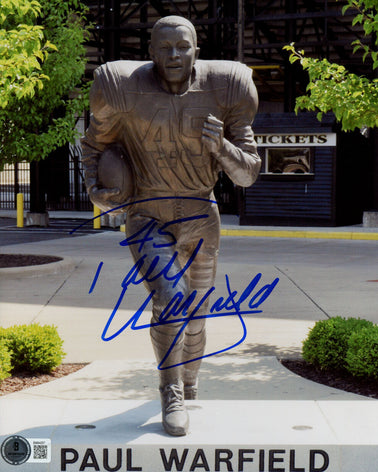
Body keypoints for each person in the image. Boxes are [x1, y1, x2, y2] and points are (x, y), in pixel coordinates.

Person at [81, 15, 261, 436]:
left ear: (196, 48)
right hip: (147, 214)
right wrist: (95, 189)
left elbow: (249, 173)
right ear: (151, 53)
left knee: (196, 315)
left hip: (201, 216)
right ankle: (170, 390)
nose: (174, 55)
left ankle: (190, 377)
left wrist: (223, 148)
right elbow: (94, 146)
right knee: (171, 298)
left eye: (182, 46)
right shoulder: (121, 87)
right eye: (164, 48)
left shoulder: (227, 85)